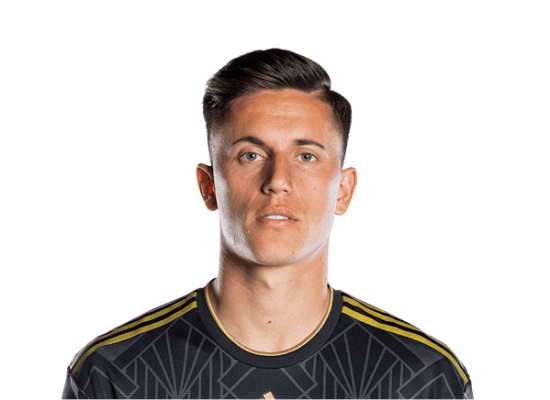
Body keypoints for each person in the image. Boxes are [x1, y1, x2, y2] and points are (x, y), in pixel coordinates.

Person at [61, 48, 474, 400]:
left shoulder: (422, 376)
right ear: (208, 186)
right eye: (251, 155)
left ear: (344, 191)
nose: (277, 180)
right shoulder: (114, 373)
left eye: (306, 156)